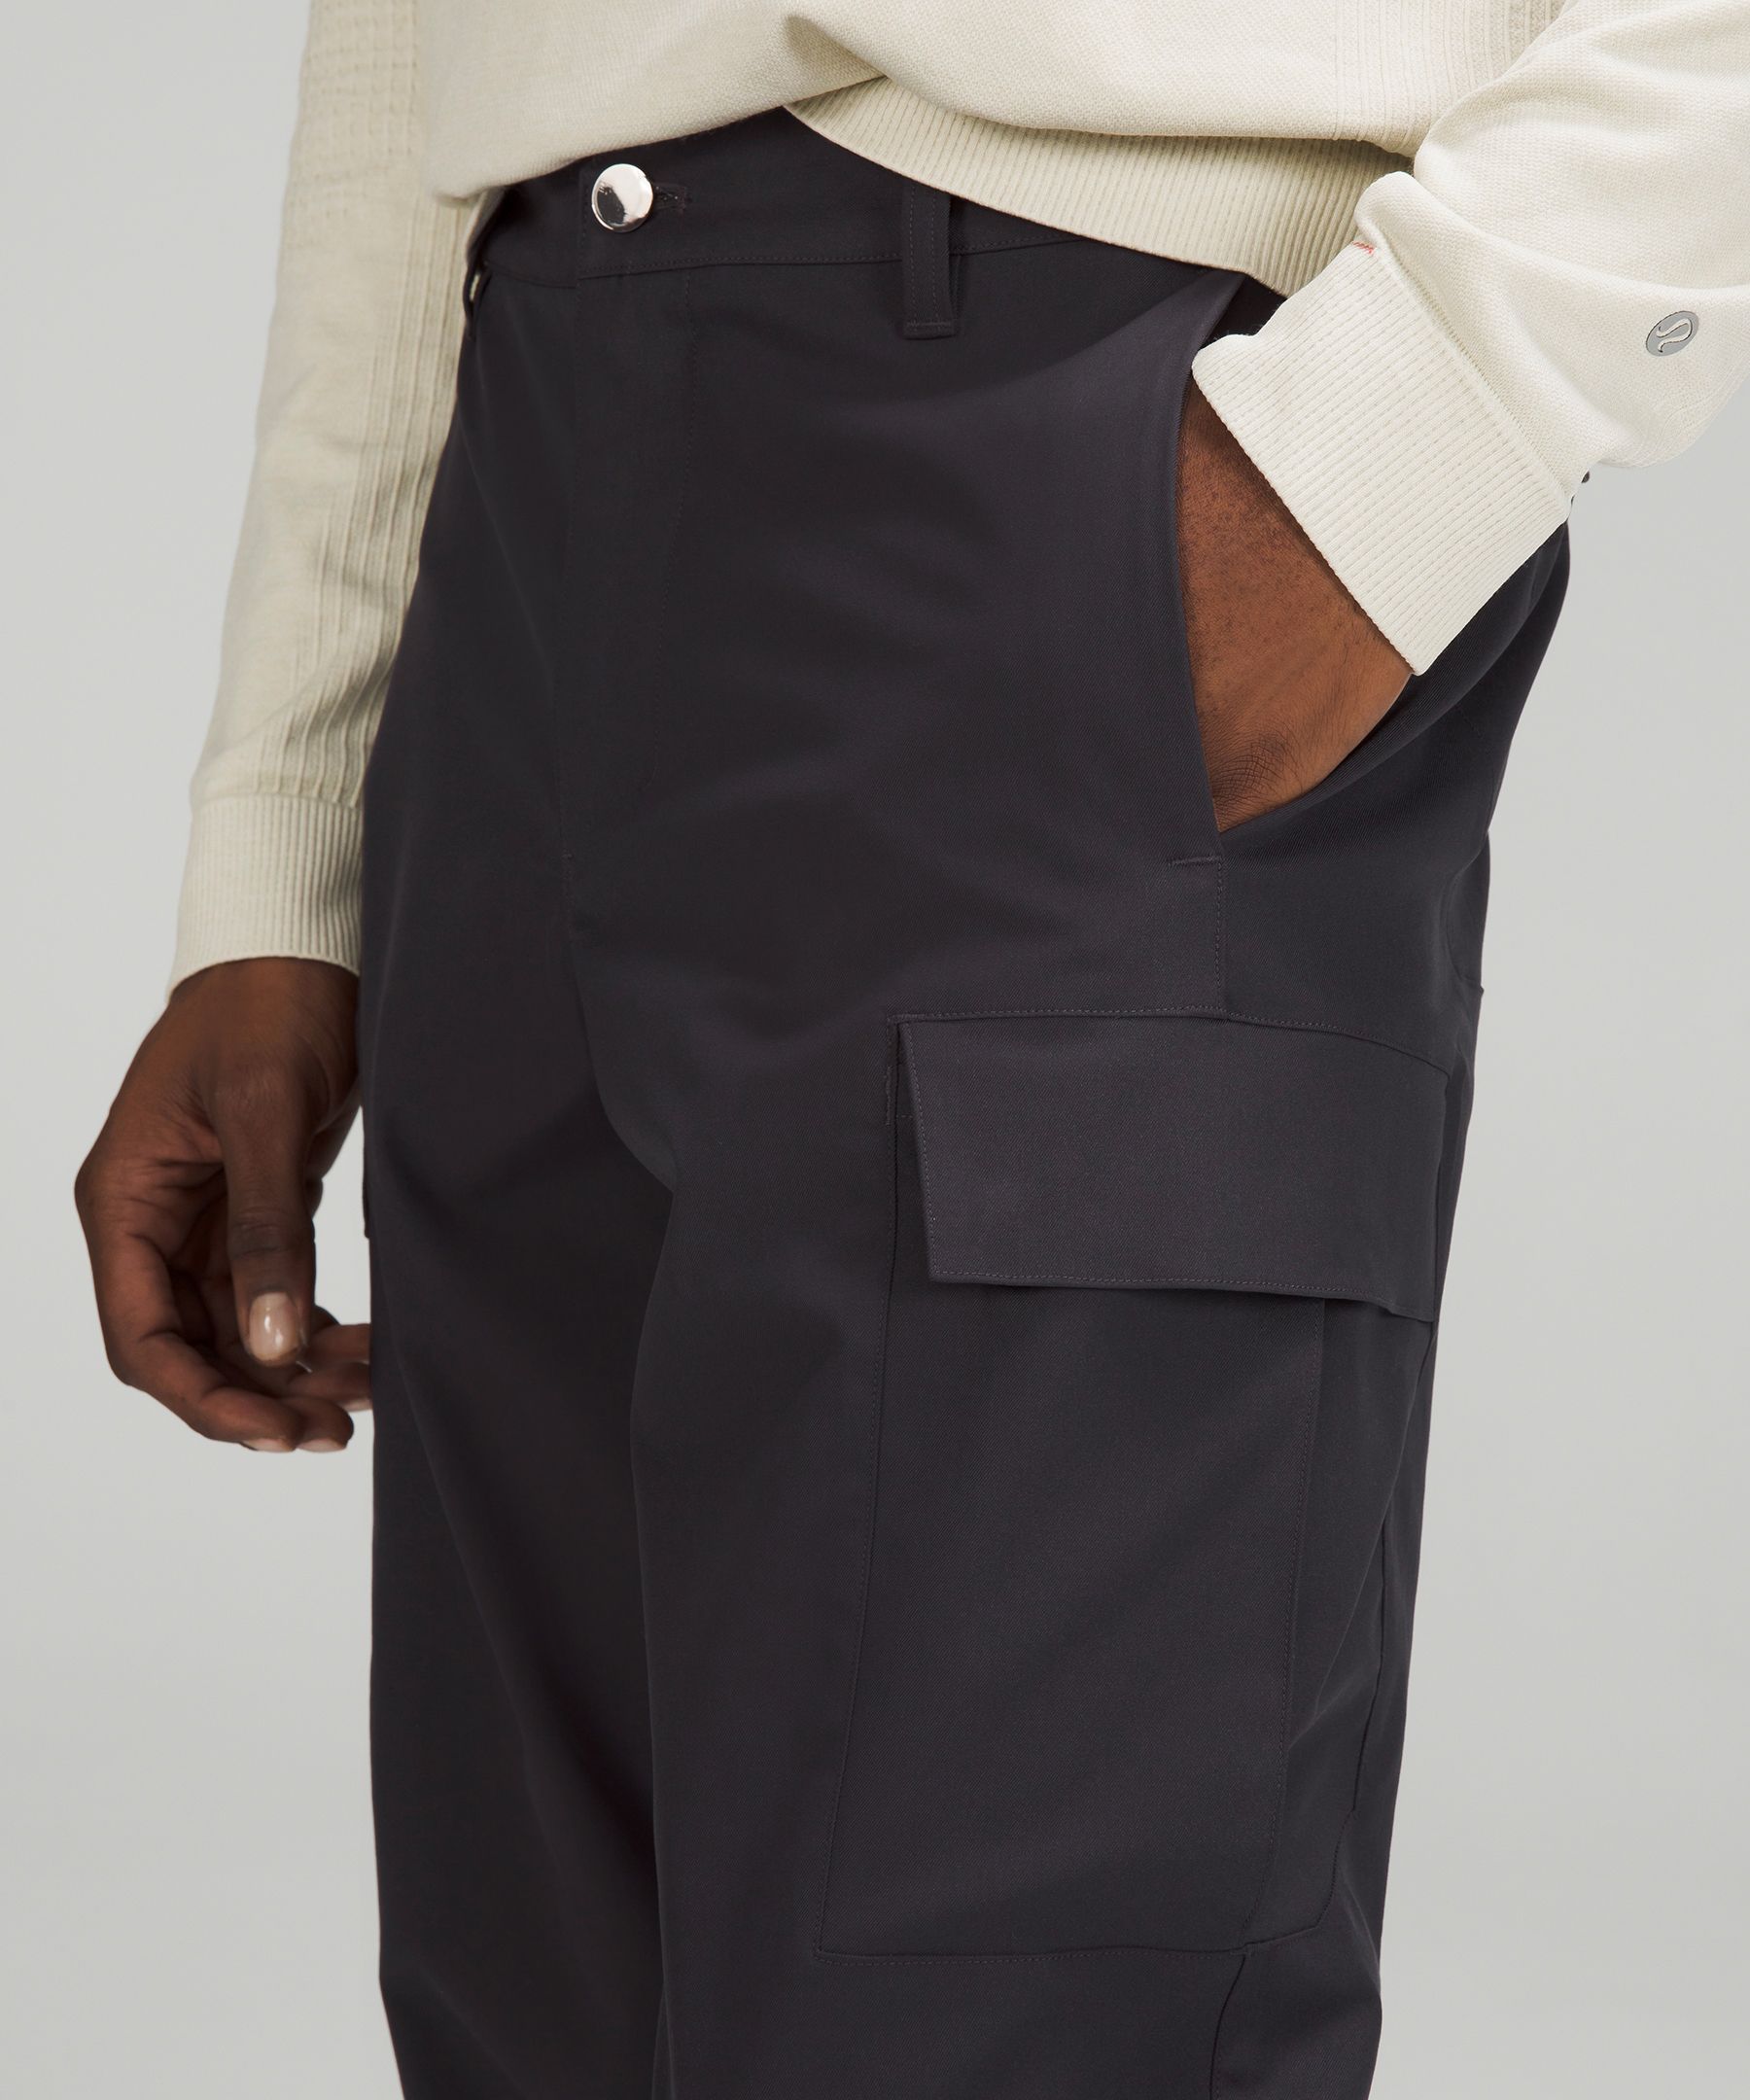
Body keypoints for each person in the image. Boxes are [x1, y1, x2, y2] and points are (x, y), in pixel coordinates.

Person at [73, 5, 1748, 2095]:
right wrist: (288, 835)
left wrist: (1426, 424)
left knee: (1008, 2007)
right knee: (540, 2014)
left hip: (1080, 435)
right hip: (527, 486)